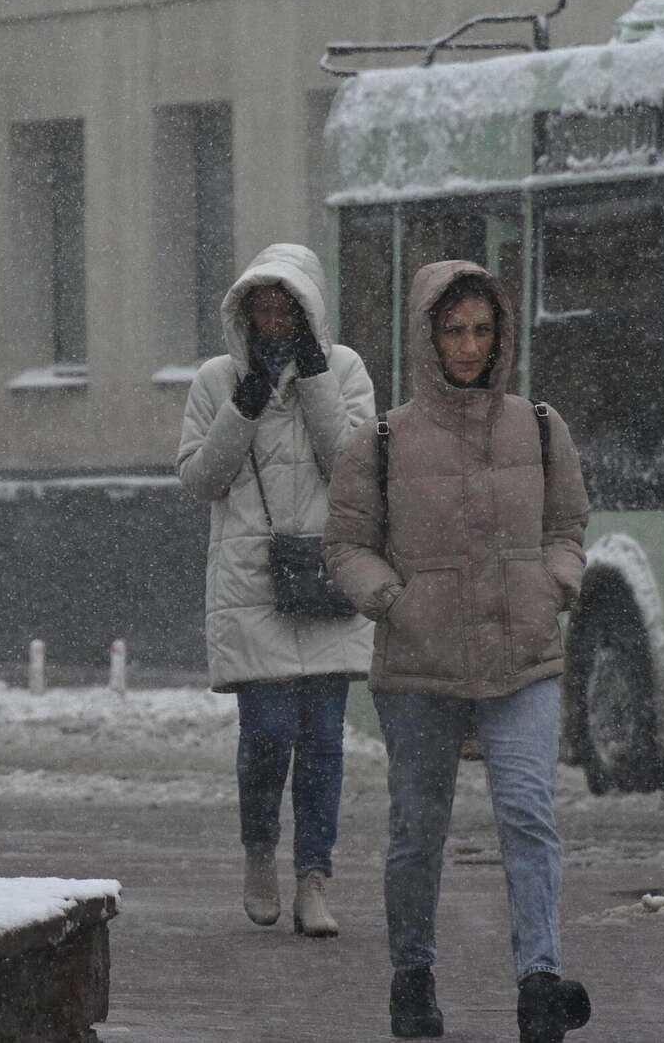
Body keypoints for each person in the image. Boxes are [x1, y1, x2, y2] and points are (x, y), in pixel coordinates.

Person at [325, 261, 593, 1043]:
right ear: (427, 335)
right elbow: (346, 543)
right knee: (417, 827)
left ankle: (539, 982)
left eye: (481, 329)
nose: (469, 345)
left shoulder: (540, 426)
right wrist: (394, 601)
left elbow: (568, 524)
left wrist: (555, 583)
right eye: (453, 329)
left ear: (501, 333)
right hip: (419, 667)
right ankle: (413, 976)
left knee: (528, 813)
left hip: (523, 657)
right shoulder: (383, 439)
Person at [177, 243, 375, 939]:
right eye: (260, 306)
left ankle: (313, 879)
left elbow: (355, 468)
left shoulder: (346, 369)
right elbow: (200, 479)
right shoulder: (215, 378)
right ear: (244, 312)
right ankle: (260, 852)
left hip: (325, 576)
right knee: (265, 735)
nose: (272, 318)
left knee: (322, 741)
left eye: (284, 305)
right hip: (251, 583)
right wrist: (245, 405)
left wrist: (316, 381)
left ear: (306, 308)